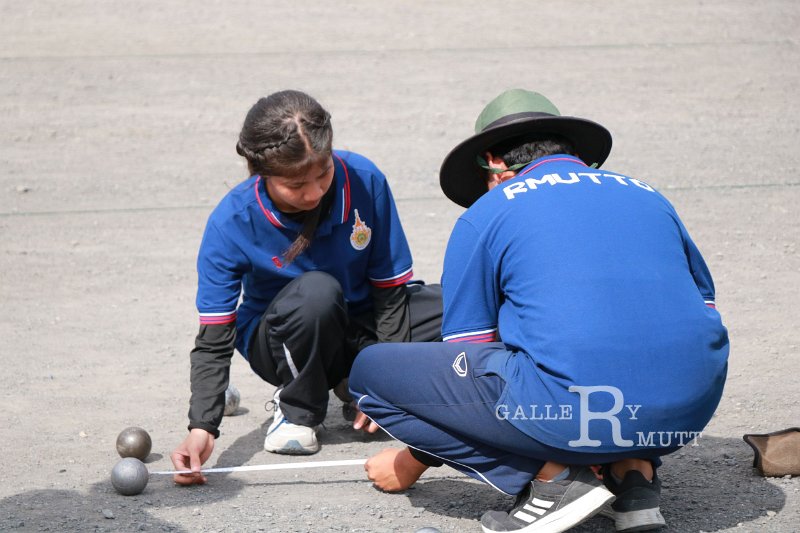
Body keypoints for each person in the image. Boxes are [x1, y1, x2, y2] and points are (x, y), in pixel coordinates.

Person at [349, 89, 729, 533]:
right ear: (570, 149)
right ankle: (634, 476)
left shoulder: (488, 212)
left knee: (371, 369)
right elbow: (702, 305)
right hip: (686, 412)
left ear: (491, 162)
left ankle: (557, 480)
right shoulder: (649, 195)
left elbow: (471, 358)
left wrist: (411, 458)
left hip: (575, 414)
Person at [170, 90, 442, 485]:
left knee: (462, 307)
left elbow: (389, 291)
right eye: (296, 185)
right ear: (260, 173)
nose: (314, 193)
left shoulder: (364, 180)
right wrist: (202, 427)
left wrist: (386, 384)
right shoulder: (232, 220)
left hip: (358, 321)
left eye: (323, 174)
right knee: (317, 292)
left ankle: (356, 387)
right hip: (286, 336)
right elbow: (215, 336)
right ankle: (298, 408)